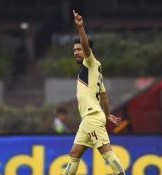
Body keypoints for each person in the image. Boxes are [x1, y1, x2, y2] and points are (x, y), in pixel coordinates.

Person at [63, 10, 125, 175]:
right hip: (90, 118)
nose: (76, 52)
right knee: (74, 154)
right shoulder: (95, 69)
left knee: (107, 152)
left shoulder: (90, 62)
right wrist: (108, 114)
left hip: (91, 117)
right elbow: (103, 95)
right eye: (74, 50)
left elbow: (85, 47)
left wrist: (80, 28)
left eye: (79, 49)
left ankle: (120, 173)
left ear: (87, 50)